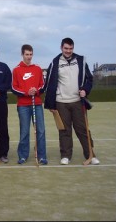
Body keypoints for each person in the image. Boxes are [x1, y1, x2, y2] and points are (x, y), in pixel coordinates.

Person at [44, 37, 100, 165]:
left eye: (70, 48)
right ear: (61, 48)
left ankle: (90, 154)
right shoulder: (55, 62)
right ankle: (65, 155)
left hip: (77, 102)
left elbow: (89, 79)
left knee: (83, 129)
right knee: (64, 130)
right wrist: (51, 104)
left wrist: (85, 90)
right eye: (66, 48)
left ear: (73, 48)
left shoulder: (80, 60)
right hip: (61, 102)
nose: (68, 51)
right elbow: (50, 83)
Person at [11, 44, 48, 165]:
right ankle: (23, 155)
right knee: (24, 131)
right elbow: (13, 88)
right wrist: (27, 92)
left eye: (31, 54)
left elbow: (43, 85)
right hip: (23, 105)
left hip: (36, 103)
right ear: (22, 54)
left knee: (40, 130)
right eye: (27, 54)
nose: (29, 57)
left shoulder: (37, 68)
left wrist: (36, 91)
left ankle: (42, 156)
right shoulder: (16, 70)